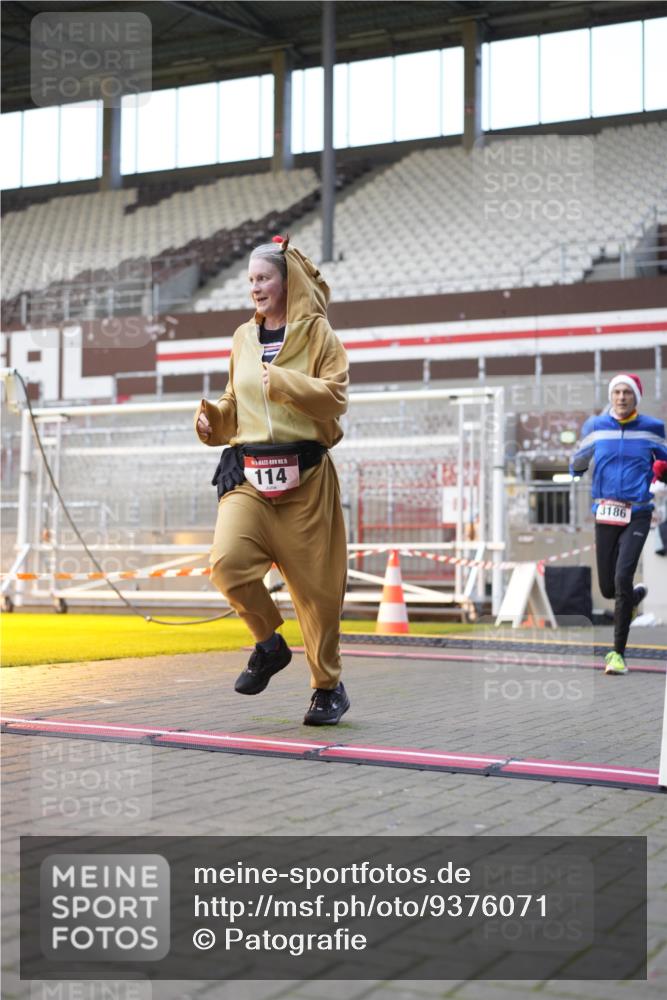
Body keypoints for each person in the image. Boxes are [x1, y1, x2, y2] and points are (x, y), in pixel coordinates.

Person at [194, 235, 350, 724]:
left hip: (306, 481)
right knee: (227, 563)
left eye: (263, 279)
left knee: (319, 596)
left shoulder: (320, 335)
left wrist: (281, 381)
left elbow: (336, 397)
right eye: (250, 281)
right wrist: (214, 420)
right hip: (249, 475)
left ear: (287, 282)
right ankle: (268, 645)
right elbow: (234, 402)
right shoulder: (242, 337)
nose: (255, 288)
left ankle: (327, 687)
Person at [570, 373, 667, 674]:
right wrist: (576, 465)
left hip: (638, 511)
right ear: (611, 397)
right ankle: (634, 597)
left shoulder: (653, 428)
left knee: (623, 576)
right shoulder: (595, 427)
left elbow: (665, 461)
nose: (621, 397)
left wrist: (660, 478)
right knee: (609, 588)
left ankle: (617, 654)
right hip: (605, 511)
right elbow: (579, 460)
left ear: (635, 397)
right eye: (617, 392)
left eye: (627, 392)